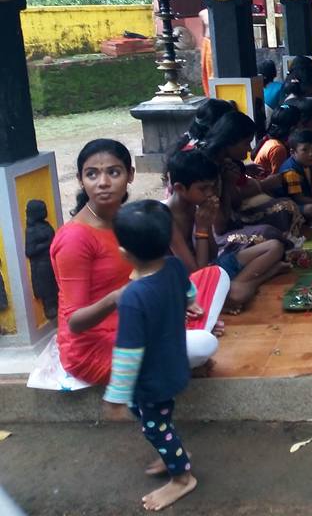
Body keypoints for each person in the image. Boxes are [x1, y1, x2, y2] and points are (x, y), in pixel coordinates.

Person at [45, 140, 227, 387]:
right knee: (204, 343)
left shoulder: (127, 220)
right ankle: (174, 353)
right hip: (96, 348)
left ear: (130, 175)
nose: (103, 183)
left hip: (137, 320)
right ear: (80, 179)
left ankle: (174, 346)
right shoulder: (75, 238)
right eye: (92, 174)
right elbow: (75, 323)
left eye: (114, 172)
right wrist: (117, 298)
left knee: (214, 277)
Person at [102, 200, 199, 511]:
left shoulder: (133, 297)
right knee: (156, 420)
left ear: (125, 254)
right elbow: (188, 291)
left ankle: (182, 477)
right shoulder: (173, 265)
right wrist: (190, 304)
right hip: (173, 364)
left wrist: (116, 394)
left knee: (153, 425)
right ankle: (170, 450)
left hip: (152, 378)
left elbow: (128, 354)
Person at [166, 150, 287, 313]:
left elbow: (213, 255)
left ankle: (231, 289)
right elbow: (197, 276)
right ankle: (257, 279)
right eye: (203, 188)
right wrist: (201, 229)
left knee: (274, 246)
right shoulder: (167, 219)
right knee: (237, 295)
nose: (209, 193)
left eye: (212, 187)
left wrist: (206, 224)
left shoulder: (196, 205)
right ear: (179, 188)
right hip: (189, 285)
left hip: (208, 269)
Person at [201, 112, 304, 246]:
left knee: (287, 206)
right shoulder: (208, 170)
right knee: (268, 233)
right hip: (214, 239)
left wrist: (231, 183)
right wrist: (228, 183)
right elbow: (219, 227)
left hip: (233, 218)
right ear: (229, 142)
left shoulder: (226, 163)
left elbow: (236, 203)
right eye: (246, 143)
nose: (249, 149)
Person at [252, 103, 301, 175]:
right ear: (293, 128)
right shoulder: (277, 148)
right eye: (301, 124)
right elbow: (279, 178)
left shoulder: (271, 140)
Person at [198, 9, 213, 97]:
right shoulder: (202, 13)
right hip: (207, 42)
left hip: (216, 43)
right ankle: (208, 94)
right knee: (206, 70)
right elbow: (203, 31)